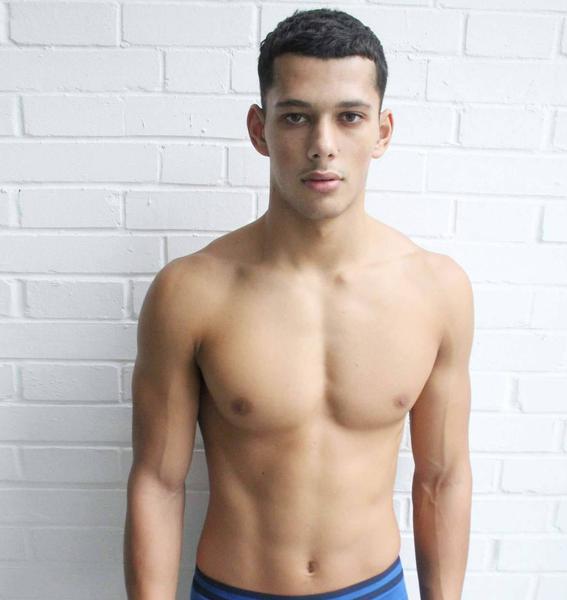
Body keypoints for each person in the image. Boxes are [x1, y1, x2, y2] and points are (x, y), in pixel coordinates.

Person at [123, 7, 473, 600]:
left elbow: (442, 477)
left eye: (349, 117)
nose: (322, 146)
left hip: (374, 588)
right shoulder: (191, 292)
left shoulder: (437, 290)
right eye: (296, 117)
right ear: (259, 129)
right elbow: (158, 482)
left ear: (382, 131)